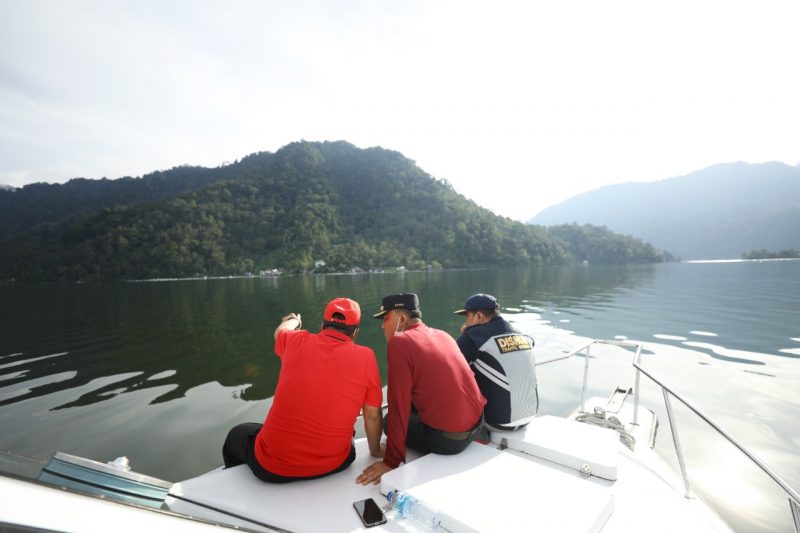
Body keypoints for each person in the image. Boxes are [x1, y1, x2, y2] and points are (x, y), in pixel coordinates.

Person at [223, 297, 383, 483]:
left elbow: (280, 331)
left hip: (271, 468)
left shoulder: (295, 341)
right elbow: (372, 415)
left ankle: (233, 486)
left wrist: (294, 320)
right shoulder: (366, 357)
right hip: (335, 464)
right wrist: (376, 450)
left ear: (323, 324)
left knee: (238, 433)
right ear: (355, 332)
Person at [357, 293, 486, 485]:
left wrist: (390, 461)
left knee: (388, 420)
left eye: (385, 319)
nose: (382, 326)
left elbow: (398, 406)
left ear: (401, 319)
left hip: (449, 441)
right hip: (478, 428)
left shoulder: (400, 343)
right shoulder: (443, 335)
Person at [454, 293, 538, 432]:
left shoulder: (472, 336)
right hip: (530, 416)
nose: (466, 322)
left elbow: (449, 365)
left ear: (479, 316)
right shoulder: (522, 335)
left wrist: (465, 335)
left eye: (468, 316)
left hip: (497, 421)